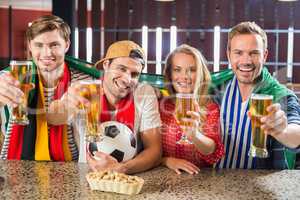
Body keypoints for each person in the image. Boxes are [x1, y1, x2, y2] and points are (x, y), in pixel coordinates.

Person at [56, 40, 162, 174]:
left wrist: (121, 168)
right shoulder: (85, 89)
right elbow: (53, 118)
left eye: (134, 74)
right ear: (106, 65)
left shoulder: (144, 93)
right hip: (86, 176)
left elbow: (155, 151)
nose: (127, 79)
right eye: (121, 68)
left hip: (128, 178)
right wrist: (67, 104)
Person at [0, 15, 97, 161]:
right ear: (30, 46)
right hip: (15, 163)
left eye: (54, 45)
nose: (47, 53)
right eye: (39, 45)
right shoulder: (10, 78)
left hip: (71, 166)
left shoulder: (86, 81)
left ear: (67, 45)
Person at [211, 21, 300, 169]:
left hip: (261, 186)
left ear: (264, 56)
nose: (246, 61)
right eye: (238, 53)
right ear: (229, 55)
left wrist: (282, 130)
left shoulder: (281, 96)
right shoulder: (217, 89)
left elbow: (296, 135)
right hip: (219, 182)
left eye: (254, 53)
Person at [159, 44, 224, 174]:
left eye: (192, 70)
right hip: (164, 179)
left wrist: (195, 136)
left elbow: (213, 151)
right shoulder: (161, 106)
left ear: (200, 75)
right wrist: (167, 161)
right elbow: (149, 150)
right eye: (177, 70)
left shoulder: (211, 108)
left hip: (199, 181)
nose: (184, 76)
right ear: (170, 75)